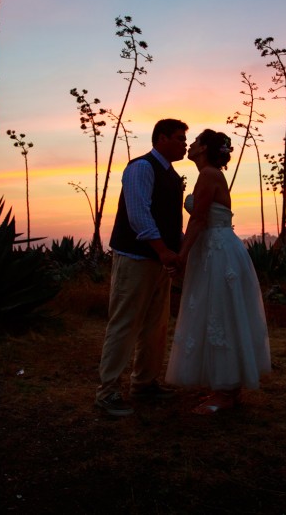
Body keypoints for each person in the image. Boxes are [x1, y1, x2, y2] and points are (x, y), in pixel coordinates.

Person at [165, 129, 271, 414]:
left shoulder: (208, 175)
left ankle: (225, 392)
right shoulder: (210, 174)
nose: (191, 144)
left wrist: (182, 256)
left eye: (196, 140)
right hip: (217, 248)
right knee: (219, 312)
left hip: (217, 251)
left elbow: (198, 219)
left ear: (203, 149)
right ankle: (227, 387)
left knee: (219, 313)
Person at [95, 118, 189, 416]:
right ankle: (107, 392)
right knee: (124, 324)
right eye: (179, 138)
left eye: (185, 139)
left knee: (155, 327)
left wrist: (176, 252)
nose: (184, 144)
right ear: (161, 139)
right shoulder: (141, 168)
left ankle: (144, 383)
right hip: (135, 260)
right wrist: (163, 251)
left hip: (158, 263)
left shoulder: (172, 177)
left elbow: (171, 222)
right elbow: (138, 214)